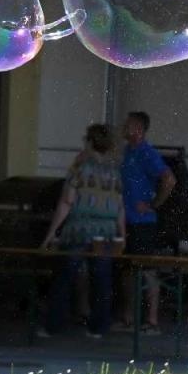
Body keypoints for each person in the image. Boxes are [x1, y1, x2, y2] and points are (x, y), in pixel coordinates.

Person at [39, 124, 125, 339]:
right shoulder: (115, 171)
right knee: (102, 279)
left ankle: (53, 325)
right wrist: (122, 235)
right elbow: (120, 207)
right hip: (106, 231)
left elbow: (67, 201)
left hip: (78, 228)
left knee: (65, 277)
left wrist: (50, 234)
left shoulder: (79, 167)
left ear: (88, 142)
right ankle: (98, 327)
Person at [118, 111, 175, 332]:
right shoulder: (127, 152)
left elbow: (169, 179)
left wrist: (153, 204)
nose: (125, 128)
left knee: (148, 269)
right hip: (126, 220)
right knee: (128, 270)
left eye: (129, 125)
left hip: (144, 221)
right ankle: (128, 318)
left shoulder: (146, 153)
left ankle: (152, 321)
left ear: (139, 130)